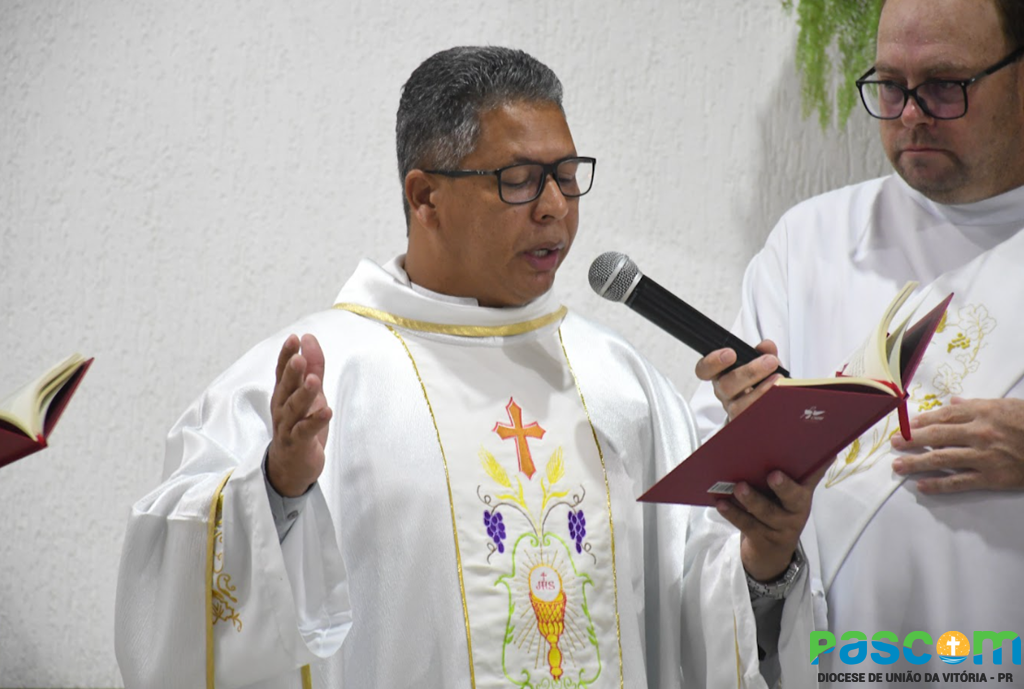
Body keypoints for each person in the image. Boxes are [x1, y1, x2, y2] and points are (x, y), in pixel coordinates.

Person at [114, 46, 797, 689]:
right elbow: (169, 598)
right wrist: (275, 490)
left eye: (567, 175)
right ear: (425, 197)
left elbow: (698, 609)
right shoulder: (313, 379)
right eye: (520, 179)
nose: (556, 206)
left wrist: (765, 554)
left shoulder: (620, 385)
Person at [690, 0, 1024, 686]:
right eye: (890, 87)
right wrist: (756, 487)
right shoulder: (808, 245)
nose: (909, 114)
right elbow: (719, 529)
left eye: (943, 86)